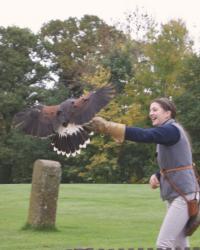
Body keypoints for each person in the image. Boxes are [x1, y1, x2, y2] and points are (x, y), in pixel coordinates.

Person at [87, 97, 199, 249]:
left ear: (168, 113)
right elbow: (179, 162)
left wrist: (110, 127)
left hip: (183, 194)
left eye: (155, 109)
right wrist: (158, 175)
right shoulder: (170, 131)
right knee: (179, 244)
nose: (150, 113)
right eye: (150, 110)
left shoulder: (171, 130)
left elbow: (145, 135)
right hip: (181, 193)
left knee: (163, 244)